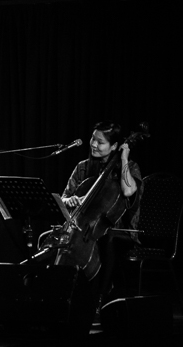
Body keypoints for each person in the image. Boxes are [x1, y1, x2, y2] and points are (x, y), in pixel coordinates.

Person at [60, 121, 141, 310]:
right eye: (93, 139)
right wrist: (70, 201)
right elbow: (62, 198)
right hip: (84, 229)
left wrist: (124, 158)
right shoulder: (82, 167)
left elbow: (128, 191)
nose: (94, 144)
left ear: (114, 146)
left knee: (107, 239)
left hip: (119, 231)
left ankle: (100, 298)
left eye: (100, 142)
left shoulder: (130, 167)